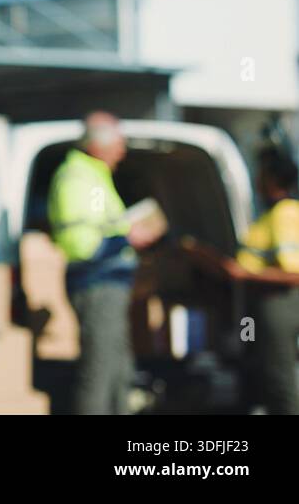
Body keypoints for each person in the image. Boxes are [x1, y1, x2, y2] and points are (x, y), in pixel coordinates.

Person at [47, 111, 160, 414]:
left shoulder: (93, 175)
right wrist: (126, 239)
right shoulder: (78, 177)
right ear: (98, 146)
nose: (123, 151)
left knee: (118, 369)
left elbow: (103, 225)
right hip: (96, 282)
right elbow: (80, 243)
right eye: (119, 143)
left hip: (109, 285)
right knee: (99, 371)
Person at [183, 146, 299, 414]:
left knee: (277, 374)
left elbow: (294, 273)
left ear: (272, 179)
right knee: (254, 364)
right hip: (252, 310)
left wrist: (240, 273)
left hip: (276, 308)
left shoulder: (285, 214)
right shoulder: (268, 216)